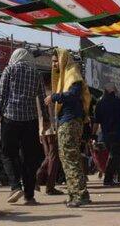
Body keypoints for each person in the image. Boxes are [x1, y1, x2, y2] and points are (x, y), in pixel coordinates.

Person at [0, 48, 46, 205]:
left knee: (8, 154)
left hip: (11, 118)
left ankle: (15, 186)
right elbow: (42, 97)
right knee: (30, 157)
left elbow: (1, 94)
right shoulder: (36, 73)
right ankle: (29, 195)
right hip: (31, 120)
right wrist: (46, 118)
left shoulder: (9, 69)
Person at [46, 49, 91, 208]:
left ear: (63, 58)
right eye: (52, 62)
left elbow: (72, 95)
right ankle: (75, 193)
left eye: (55, 61)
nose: (54, 64)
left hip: (70, 122)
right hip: (67, 122)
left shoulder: (73, 74)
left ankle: (80, 194)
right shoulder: (66, 75)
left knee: (70, 159)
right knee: (67, 159)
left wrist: (54, 97)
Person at [93, 84, 120, 187]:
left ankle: (117, 176)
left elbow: (96, 121)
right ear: (114, 92)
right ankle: (108, 179)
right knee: (115, 155)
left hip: (106, 134)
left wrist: (93, 134)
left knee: (112, 155)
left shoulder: (100, 104)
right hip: (118, 133)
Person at [36, 89, 63, 195]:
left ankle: (36, 180)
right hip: (52, 128)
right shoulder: (52, 94)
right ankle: (49, 186)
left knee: (48, 157)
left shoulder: (38, 95)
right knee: (53, 158)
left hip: (42, 129)